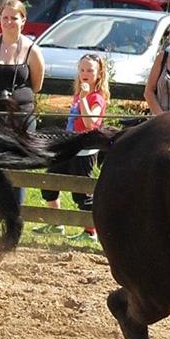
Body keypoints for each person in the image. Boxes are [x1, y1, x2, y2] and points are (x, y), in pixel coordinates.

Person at [39, 53, 108, 244]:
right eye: (82, 69)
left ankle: (90, 231)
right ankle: (56, 223)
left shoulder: (96, 98)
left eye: (90, 70)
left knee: (82, 193)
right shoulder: (78, 95)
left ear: (99, 73)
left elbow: (90, 123)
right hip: (68, 146)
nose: (85, 73)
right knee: (50, 181)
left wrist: (85, 99)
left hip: (84, 151)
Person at [0, 0, 45, 130]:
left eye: (14, 18)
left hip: (21, 117)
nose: (9, 22)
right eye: (5, 17)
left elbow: (36, 86)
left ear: (23, 21)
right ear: (0, 19)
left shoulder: (32, 50)